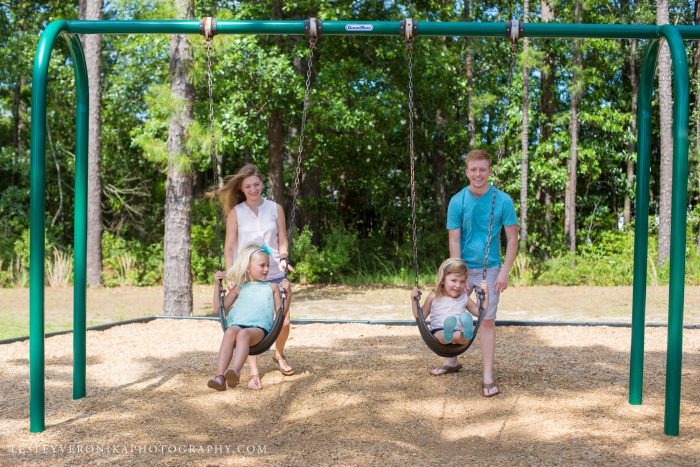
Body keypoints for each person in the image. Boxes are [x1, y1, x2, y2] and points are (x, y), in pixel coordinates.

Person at [446, 148, 518, 397]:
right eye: (473, 169)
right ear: (467, 171)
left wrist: (504, 273)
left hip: (491, 269)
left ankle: (487, 375)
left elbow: (512, 238)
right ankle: (452, 360)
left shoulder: (503, 201)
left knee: (486, 320)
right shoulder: (457, 201)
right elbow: (454, 241)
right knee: (453, 313)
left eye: (482, 169)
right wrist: (458, 274)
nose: (478, 174)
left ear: (489, 171)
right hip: (464, 268)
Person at [216, 164, 295, 390]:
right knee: (249, 321)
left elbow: (282, 240)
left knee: (284, 321)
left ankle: (278, 354)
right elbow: (230, 247)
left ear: (263, 184)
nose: (253, 189)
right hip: (248, 273)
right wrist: (231, 274)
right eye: (248, 186)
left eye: (257, 184)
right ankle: (253, 372)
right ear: (241, 189)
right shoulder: (236, 212)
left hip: (274, 271)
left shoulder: (274, 208)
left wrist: (284, 258)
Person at [208, 244, 281, 391]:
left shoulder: (271, 287)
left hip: (258, 330)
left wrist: (288, 294)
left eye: (268, 265)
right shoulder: (240, 287)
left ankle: (234, 371)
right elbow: (218, 309)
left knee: (243, 334)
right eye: (262, 265)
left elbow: (281, 311)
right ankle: (220, 377)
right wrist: (217, 284)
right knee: (230, 332)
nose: (266, 269)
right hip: (237, 326)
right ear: (248, 267)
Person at [412, 258, 489, 376]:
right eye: (454, 280)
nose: (458, 285)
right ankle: (449, 333)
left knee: (461, 337)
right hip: (438, 332)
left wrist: (485, 295)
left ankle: (466, 332)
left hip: (457, 331)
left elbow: (479, 312)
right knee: (442, 335)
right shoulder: (434, 296)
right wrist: (414, 300)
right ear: (443, 280)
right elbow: (419, 316)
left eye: (462, 281)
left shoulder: (464, 297)